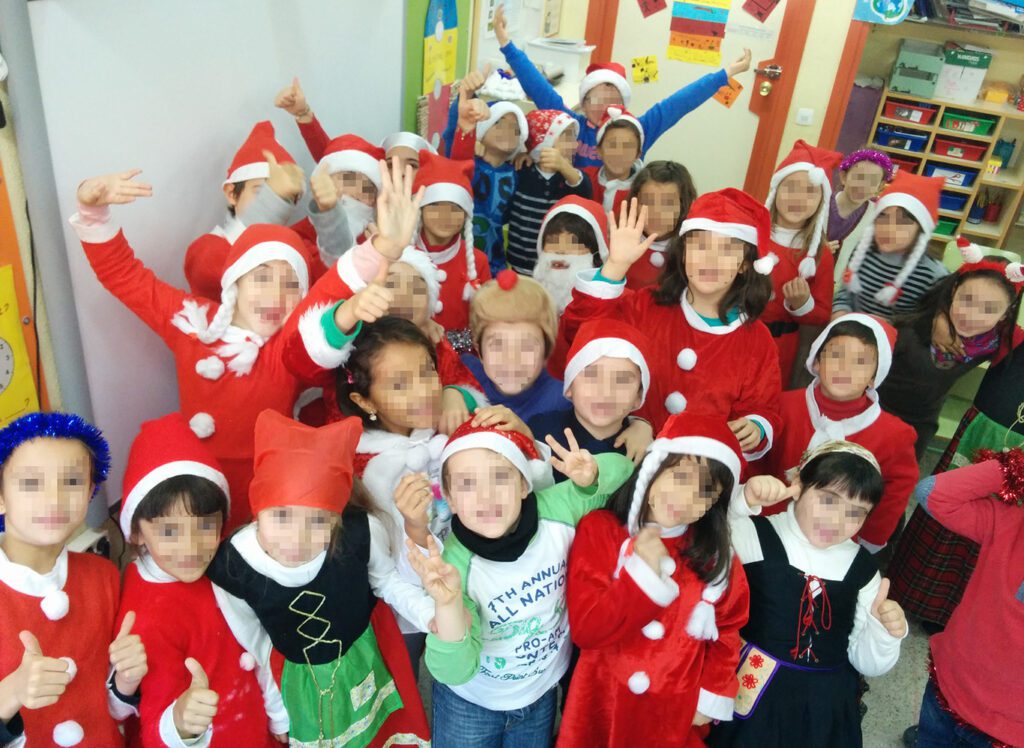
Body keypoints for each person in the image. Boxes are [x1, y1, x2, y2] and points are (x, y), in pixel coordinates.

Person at [71, 170, 326, 530]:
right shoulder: (193, 323)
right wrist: (93, 213)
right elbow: (124, 276)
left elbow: (337, 302)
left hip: (266, 490)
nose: (275, 296)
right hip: (197, 482)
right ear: (236, 282)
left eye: (290, 286)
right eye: (262, 277)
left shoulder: (292, 345)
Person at [205, 410, 431, 746]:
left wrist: (430, 613)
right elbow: (254, 642)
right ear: (257, 512)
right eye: (281, 517)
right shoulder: (235, 566)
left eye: (317, 522)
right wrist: (276, 709)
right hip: (299, 684)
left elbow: (386, 581)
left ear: (336, 520)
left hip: (364, 662)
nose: (297, 538)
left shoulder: (360, 534)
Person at [407, 421, 634, 747]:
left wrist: (594, 473)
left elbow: (626, 473)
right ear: (451, 502)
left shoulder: (558, 509)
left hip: (541, 692)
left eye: (500, 477)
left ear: (524, 485)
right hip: (471, 703)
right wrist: (448, 605)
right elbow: (452, 670)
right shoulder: (453, 564)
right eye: (467, 484)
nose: (486, 496)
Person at [558, 414, 750, 747]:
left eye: (705, 493)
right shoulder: (601, 530)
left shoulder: (718, 558)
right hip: (602, 704)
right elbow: (587, 631)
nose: (686, 498)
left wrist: (711, 694)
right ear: (652, 469)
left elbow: (728, 630)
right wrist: (641, 579)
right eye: (680, 476)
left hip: (672, 713)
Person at [708, 441, 907, 748]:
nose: (837, 521)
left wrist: (884, 633)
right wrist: (741, 502)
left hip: (825, 705)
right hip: (750, 692)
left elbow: (868, 663)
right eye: (828, 500)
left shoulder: (863, 569)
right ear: (799, 484)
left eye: (855, 513)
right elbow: (704, 536)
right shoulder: (753, 533)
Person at [561, 191, 781, 451]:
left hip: (698, 469)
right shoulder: (645, 307)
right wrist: (616, 266)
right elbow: (580, 334)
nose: (710, 260)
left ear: (744, 264)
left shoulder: (757, 341)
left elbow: (763, 407)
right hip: (621, 456)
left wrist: (756, 426)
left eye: (726, 250)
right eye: (700, 246)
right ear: (684, 253)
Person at [116, 413, 287, 745]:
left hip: (258, 724)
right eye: (169, 531)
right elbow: (154, 727)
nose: (191, 546)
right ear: (135, 532)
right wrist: (181, 723)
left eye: (206, 525)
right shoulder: (148, 617)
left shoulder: (227, 561)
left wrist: (277, 711)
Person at [0, 413, 147, 746]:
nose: (54, 498)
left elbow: (108, 707)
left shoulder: (102, 576)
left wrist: (125, 681)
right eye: (31, 482)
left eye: (72, 481)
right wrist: (11, 692)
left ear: (90, 492)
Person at [491, 4, 751, 169]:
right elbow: (539, 89)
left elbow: (680, 102)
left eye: (612, 98)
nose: (604, 105)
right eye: (596, 98)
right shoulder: (571, 127)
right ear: (584, 103)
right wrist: (506, 45)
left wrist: (725, 74)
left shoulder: (638, 131)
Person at [755, 314, 919, 553]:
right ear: (817, 361)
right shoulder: (782, 406)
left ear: (874, 377)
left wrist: (867, 541)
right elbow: (756, 466)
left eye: (860, 362)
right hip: (769, 527)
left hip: (837, 541)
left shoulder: (894, 435)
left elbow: (892, 496)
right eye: (836, 355)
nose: (845, 368)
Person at [900, 452, 1024, 747]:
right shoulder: (1008, 521)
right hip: (948, 688)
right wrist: (1011, 467)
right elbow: (932, 493)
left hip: (1005, 732)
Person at [877, 249, 1022, 459]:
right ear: (954, 291)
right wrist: (940, 314)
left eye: (989, 309)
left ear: (1005, 314)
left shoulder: (992, 341)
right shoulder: (908, 332)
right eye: (967, 300)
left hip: (919, 427)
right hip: (873, 412)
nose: (971, 316)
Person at [183, 121, 315, 302]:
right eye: (261, 192)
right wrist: (271, 205)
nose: (278, 204)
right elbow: (218, 277)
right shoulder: (207, 251)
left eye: (287, 199)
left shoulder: (299, 249)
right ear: (231, 193)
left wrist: (330, 211)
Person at [760, 140, 842, 385]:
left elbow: (821, 315)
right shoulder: (752, 236)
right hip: (736, 335)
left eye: (810, 191)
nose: (798, 198)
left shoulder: (819, 254)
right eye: (791, 188)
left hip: (780, 349)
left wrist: (802, 304)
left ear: (821, 201)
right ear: (776, 190)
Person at [529, 319, 655, 479]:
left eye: (622, 380)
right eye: (592, 375)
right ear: (569, 386)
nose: (606, 391)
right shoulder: (540, 431)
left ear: (638, 397)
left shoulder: (644, 450)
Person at [445, 66, 528, 275]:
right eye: (499, 123)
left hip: (493, 260)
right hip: (457, 256)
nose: (507, 131)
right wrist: (467, 95)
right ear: (482, 129)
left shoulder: (517, 173)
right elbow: (453, 136)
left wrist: (529, 156)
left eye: (515, 128)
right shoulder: (469, 164)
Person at [834, 171, 948, 319]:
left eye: (902, 222)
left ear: (921, 229)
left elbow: (927, 324)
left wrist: (885, 327)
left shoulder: (933, 275)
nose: (888, 229)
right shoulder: (863, 252)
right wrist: (839, 314)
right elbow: (845, 294)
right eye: (883, 217)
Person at [412, 151, 493, 348]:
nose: (445, 215)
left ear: (466, 214)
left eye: (455, 208)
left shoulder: (478, 261)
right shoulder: (402, 256)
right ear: (421, 208)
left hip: (463, 357)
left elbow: (485, 321)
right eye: (435, 205)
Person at [273, 76, 435, 175]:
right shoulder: (370, 203)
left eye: (412, 165)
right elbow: (332, 158)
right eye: (391, 165)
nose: (401, 173)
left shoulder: (435, 210)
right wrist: (303, 113)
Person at [506, 110, 592, 276]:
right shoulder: (521, 170)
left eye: (574, 137)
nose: (574, 144)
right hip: (519, 263)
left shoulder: (570, 177)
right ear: (545, 141)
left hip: (556, 266)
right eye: (566, 136)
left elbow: (584, 192)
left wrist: (564, 166)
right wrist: (523, 153)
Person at [625, 160, 697, 290]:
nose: (656, 213)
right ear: (635, 203)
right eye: (648, 202)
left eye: (667, 204)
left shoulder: (692, 253)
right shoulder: (619, 245)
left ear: (683, 207)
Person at [532, 196, 609, 314]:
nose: (560, 251)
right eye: (552, 241)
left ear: (595, 250)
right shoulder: (527, 299)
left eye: (572, 243)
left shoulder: (608, 303)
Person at [582, 108, 645, 215]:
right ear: (599, 150)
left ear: (638, 154)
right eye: (612, 145)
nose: (619, 153)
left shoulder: (646, 187)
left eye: (628, 146)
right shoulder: (583, 179)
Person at [828, 149, 893, 247]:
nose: (863, 186)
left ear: (879, 187)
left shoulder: (876, 217)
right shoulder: (821, 203)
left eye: (872, 181)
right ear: (844, 177)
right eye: (859, 177)